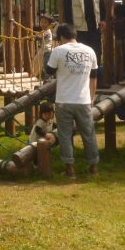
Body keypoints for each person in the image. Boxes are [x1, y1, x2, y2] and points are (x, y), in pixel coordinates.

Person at [45, 23, 100, 179]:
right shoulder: (90, 51)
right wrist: (92, 97)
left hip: (64, 100)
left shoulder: (59, 51)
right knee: (88, 134)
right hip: (84, 100)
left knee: (65, 135)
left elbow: (49, 73)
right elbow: (94, 77)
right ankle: (94, 168)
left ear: (62, 37)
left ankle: (70, 171)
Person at [62, 0, 106, 76]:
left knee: (95, 54)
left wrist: (102, 19)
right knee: (80, 56)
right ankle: (81, 82)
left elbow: (101, 3)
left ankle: (96, 80)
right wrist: (71, 28)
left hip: (94, 26)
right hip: (78, 28)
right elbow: (67, 9)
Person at [112, 3, 125, 83]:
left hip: (119, 41)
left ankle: (124, 75)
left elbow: (112, 28)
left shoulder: (114, 21)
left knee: (123, 57)